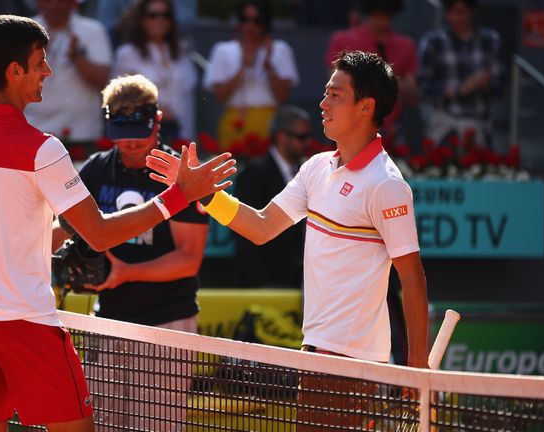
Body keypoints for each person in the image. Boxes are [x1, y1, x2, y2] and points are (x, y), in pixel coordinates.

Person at [0, 15, 236, 431]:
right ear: (15, 70)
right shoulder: (43, 149)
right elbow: (97, 233)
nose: (48, 71)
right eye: (40, 61)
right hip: (28, 329)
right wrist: (179, 195)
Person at [147, 50, 429, 428]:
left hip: (353, 362)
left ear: (367, 107)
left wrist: (417, 364)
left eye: (335, 95)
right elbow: (262, 226)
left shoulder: (387, 186)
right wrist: (205, 195)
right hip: (314, 353)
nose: (322, 103)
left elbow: (412, 278)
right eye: (326, 93)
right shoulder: (315, 168)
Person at [70, 73, 206, 431]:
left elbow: (189, 259)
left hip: (167, 323)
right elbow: (67, 229)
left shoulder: (182, 174)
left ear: (157, 120)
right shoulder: (97, 168)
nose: (129, 142)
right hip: (107, 319)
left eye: (139, 129)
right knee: (100, 427)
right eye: (120, 131)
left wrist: (126, 272)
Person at [203, 0, 299, 149]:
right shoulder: (223, 49)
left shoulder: (280, 49)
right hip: (234, 121)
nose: (250, 26)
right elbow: (220, 96)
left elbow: (283, 96)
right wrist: (243, 67)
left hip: (268, 122)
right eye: (244, 19)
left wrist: (269, 67)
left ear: (266, 23)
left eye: (257, 21)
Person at [232, 105, 310, 288]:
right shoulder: (254, 174)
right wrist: (261, 284)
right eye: (301, 137)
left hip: (298, 283)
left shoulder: (306, 172)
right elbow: (244, 233)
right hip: (263, 285)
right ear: (282, 136)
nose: (307, 143)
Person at [325, 0, 418, 143]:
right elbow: (334, 85)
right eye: (376, 16)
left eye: (386, 16)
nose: (382, 23)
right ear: (368, 14)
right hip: (346, 128)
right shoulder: (342, 40)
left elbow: (412, 96)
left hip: (390, 129)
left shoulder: (406, 45)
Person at [24, 0, 112, 141]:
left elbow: (103, 81)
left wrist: (77, 57)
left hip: (81, 132)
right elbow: (12, 80)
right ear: (39, 3)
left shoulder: (93, 30)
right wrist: (38, 56)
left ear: (73, 4)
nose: (57, 5)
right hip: (32, 129)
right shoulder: (23, 30)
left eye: (63, 1)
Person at [418, 0, 501, 148]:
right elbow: (423, 86)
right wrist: (457, 89)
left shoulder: (490, 40)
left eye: (461, 12)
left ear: (472, 11)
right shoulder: (433, 42)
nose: (457, 18)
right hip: (446, 123)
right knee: (443, 168)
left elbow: (500, 84)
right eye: (452, 12)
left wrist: (485, 83)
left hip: (480, 123)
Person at [113, 0, 197, 142]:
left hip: (183, 134)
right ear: (142, 19)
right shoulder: (128, 53)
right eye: (153, 15)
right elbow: (120, 99)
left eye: (166, 15)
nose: (160, 20)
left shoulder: (182, 50)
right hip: (145, 134)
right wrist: (154, 109)